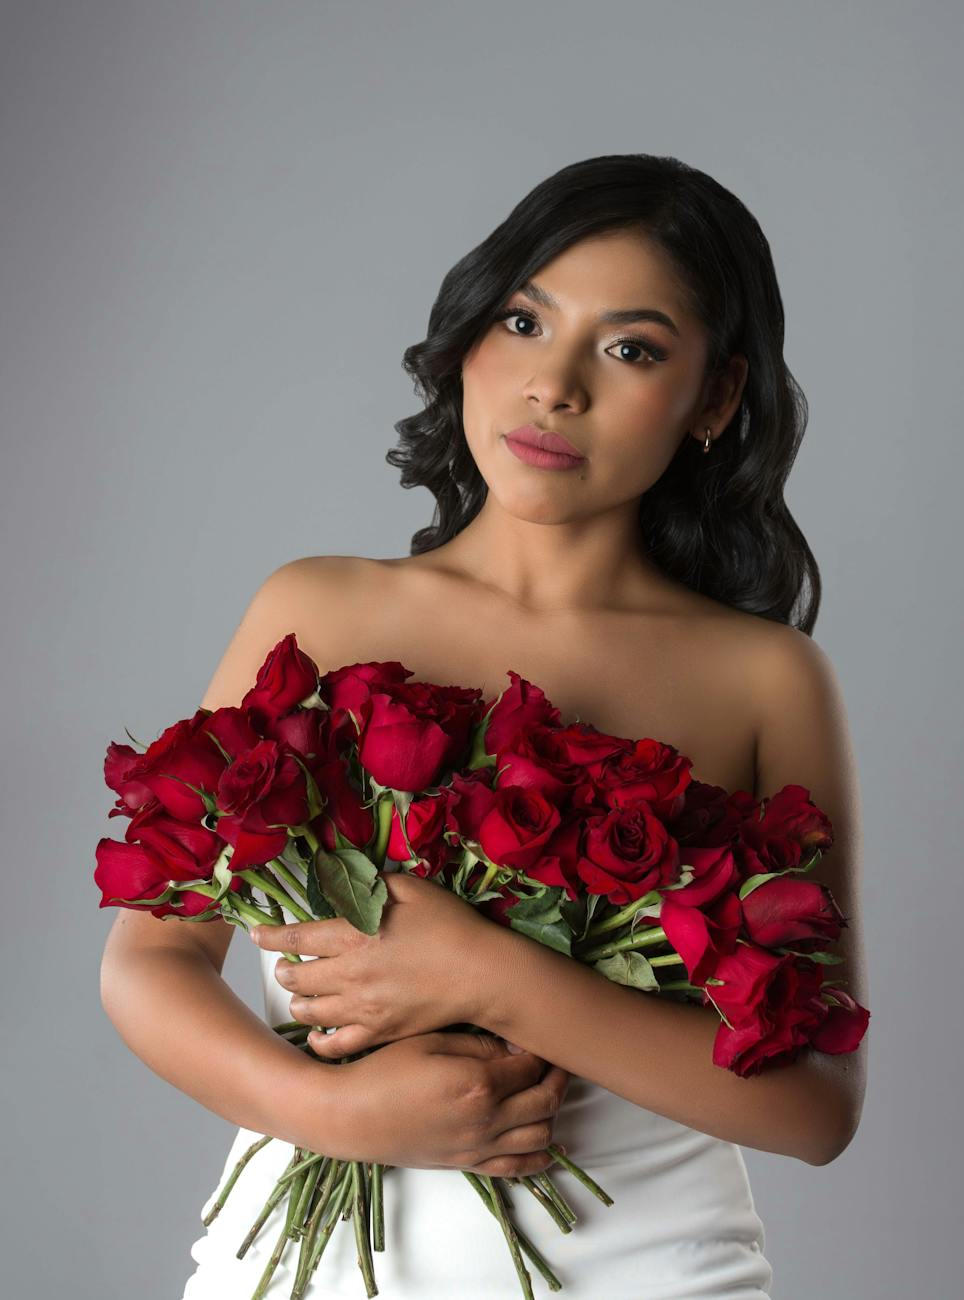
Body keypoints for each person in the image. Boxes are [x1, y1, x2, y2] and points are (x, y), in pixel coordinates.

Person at [100, 153, 868, 1299]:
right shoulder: (316, 611)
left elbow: (813, 1106)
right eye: (522, 319)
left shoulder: (765, 679)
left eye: (632, 348)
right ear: (467, 334)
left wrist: (487, 974)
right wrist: (331, 1110)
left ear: (714, 399)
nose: (553, 385)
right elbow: (149, 957)